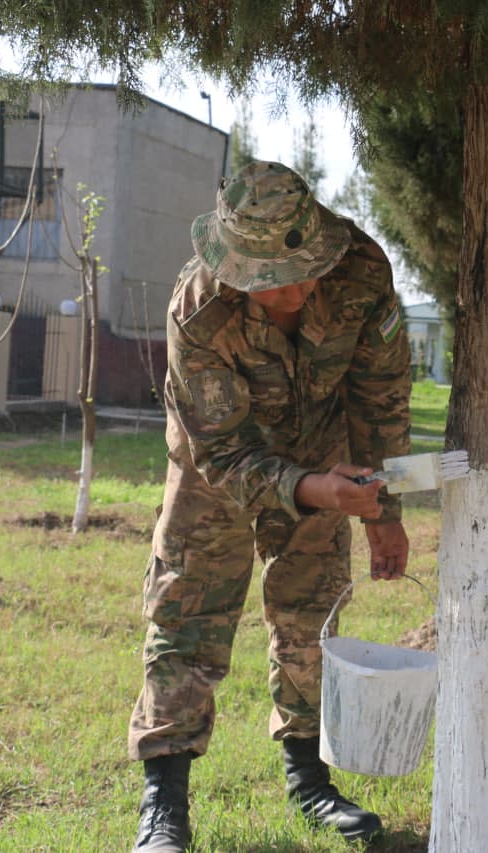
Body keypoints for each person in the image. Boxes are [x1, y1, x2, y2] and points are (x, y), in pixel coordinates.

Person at [128, 161, 412, 852]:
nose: (290, 293)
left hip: (324, 445)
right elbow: (221, 455)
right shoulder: (196, 309)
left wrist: (383, 508)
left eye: (300, 271)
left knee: (311, 608)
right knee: (188, 607)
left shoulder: (363, 272)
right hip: (215, 463)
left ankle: (309, 780)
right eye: (267, 281)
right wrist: (309, 487)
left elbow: (381, 397)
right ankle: (164, 800)